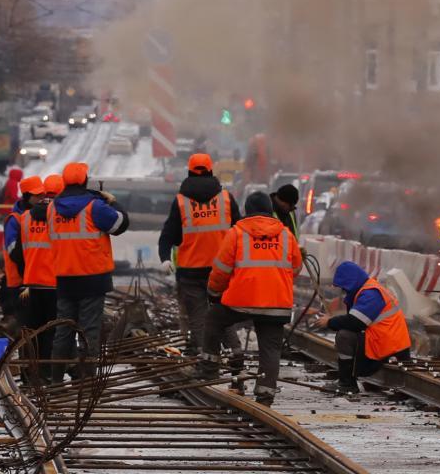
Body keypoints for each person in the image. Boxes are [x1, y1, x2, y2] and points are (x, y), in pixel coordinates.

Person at [200, 191, 302, 406]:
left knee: (213, 318)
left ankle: (209, 369)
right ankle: (265, 396)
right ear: (269, 209)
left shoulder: (236, 233)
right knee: (271, 348)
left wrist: (214, 293)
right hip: (277, 305)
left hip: (240, 302)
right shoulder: (286, 235)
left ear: (247, 210)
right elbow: (295, 268)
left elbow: (221, 270)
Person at [47, 161, 130, 382]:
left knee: (63, 329)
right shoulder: (95, 207)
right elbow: (120, 225)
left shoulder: (51, 208)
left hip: (65, 278)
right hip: (93, 279)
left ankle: (55, 379)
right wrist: (114, 203)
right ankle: (86, 380)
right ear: (85, 180)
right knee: (89, 329)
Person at [158, 153, 243, 359]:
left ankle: (202, 354)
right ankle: (235, 351)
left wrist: (165, 257)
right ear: (211, 171)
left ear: (188, 172)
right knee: (222, 311)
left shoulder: (180, 201)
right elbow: (240, 230)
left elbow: (169, 234)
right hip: (221, 268)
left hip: (190, 269)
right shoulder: (226, 198)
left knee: (197, 315)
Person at [315, 261, 411, 395]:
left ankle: (347, 383)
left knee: (344, 337)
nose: (344, 291)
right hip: (389, 343)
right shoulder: (368, 289)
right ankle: (348, 380)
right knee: (346, 333)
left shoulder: (370, 293)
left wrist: (330, 322)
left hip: (387, 346)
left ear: (350, 282)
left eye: (344, 287)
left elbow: (355, 322)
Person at [18, 174, 65, 379]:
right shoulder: (61, 216)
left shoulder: (25, 217)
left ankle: (30, 374)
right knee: (51, 332)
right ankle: (46, 373)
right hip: (54, 283)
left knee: (32, 331)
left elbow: (22, 251)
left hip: (31, 282)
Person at [1, 175, 44, 322]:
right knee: (22, 326)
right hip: (18, 282)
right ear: (26, 196)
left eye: (42, 194)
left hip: (35, 280)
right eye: (37, 195)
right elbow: (15, 253)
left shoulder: (38, 216)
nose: (41, 198)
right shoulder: (15, 220)